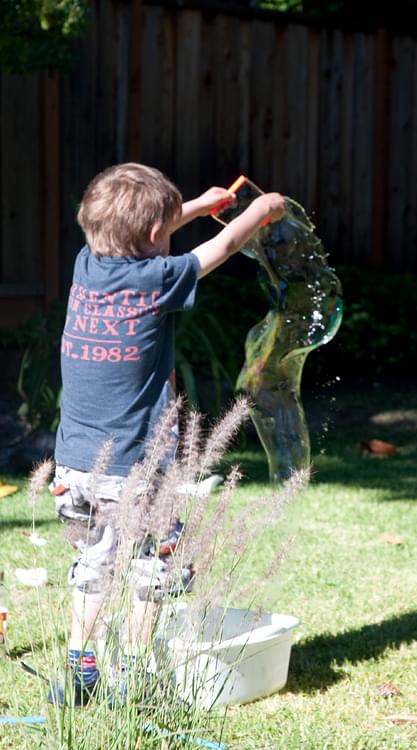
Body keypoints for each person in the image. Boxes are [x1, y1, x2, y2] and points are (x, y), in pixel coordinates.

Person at [48, 162, 285, 705]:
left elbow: (137, 232)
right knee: (154, 567)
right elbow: (222, 249)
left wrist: (195, 207)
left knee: (92, 567)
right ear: (157, 236)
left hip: (74, 467)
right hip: (135, 468)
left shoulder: (86, 266)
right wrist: (263, 209)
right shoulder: (157, 279)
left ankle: (81, 670)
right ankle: (132, 674)